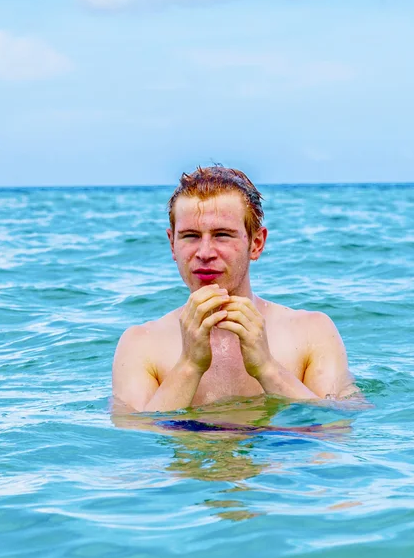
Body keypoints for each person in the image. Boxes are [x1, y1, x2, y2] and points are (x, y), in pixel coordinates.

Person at [112, 166, 360, 413]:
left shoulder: (312, 332)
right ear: (172, 243)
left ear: (256, 243)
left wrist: (266, 367)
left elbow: (336, 429)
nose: (205, 253)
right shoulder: (140, 343)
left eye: (222, 235)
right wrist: (189, 366)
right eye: (190, 236)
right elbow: (135, 442)